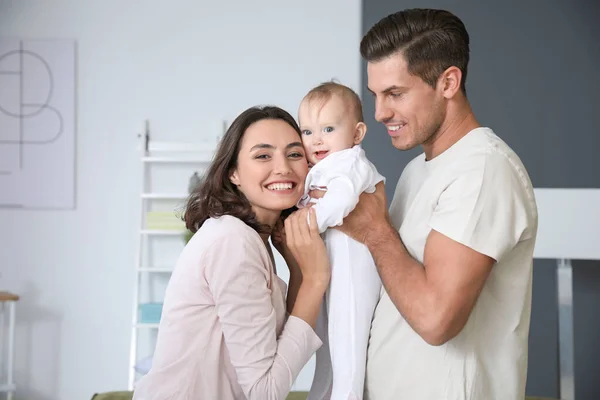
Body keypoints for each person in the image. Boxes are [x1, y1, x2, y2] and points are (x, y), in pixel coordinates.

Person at [315, 8, 539, 400]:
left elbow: (437, 320)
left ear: (449, 82)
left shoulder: (483, 170)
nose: (381, 112)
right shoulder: (420, 170)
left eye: (396, 94)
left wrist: (375, 231)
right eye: (376, 96)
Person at [132, 105, 331, 400]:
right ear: (233, 173)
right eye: (263, 155)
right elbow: (265, 391)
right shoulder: (233, 241)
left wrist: (298, 267)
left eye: (294, 154)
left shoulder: (250, 237)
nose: (283, 168)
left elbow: (277, 353)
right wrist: (315, 279)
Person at [296, 82, 385, 400]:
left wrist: (305, 222)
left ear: (357, 134)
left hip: (353, 267)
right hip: (329, 266)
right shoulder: (320, 168)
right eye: (307, 132)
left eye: (328, 128)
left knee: (347, 343)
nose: (316, 139)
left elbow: (343, 199)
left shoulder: (351, 163)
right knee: (327, 347)